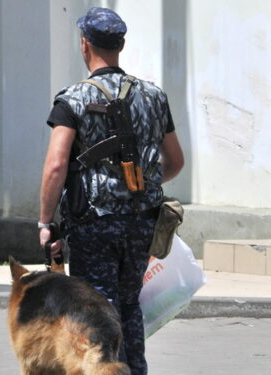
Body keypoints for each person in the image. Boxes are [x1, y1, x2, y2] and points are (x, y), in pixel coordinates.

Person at [38, 8, 185, 375]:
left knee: (98, 312)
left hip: (94, 227)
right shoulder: (153, 96)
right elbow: (176, 161)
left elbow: (56, 165)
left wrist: (45, 220)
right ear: (120, 45)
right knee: (130, 306)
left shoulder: (70, 100)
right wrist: (141, 184)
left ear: (84, 44)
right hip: (142, 224)